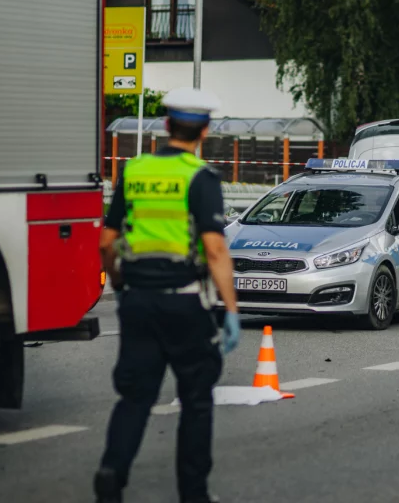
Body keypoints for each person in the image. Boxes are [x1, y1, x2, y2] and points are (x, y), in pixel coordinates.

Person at [94, 87, 240, 503]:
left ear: (165, 125)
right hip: (184, 300)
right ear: (205, 131)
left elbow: (106, 242)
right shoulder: (201, 177)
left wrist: (119, 284)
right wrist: (231, 310)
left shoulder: (134, 170)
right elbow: (215, 249)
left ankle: (111, 473)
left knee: (134, 397)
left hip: (138, 300)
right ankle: (194, 494)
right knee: (196, 400)